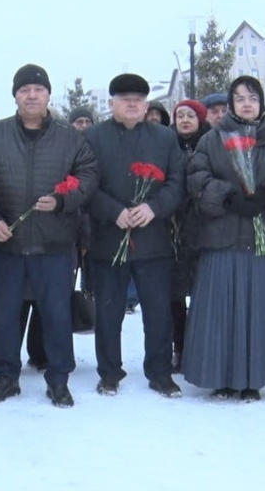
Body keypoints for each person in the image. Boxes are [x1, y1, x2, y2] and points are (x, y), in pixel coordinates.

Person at [0, 64, 98, 407]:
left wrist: (61, 201)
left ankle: (59, 380)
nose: (32, 95)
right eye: (24, 90)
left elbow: (88, 177)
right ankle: (6, 377)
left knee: (56, 315)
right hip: (6, 242)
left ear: (48, 95)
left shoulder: (70, 137)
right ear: (15, 96)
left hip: (53, 244)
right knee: (5, 315)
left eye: (38, 89)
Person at [183, 76, 265, 401]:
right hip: (223, 237)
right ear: (231, 103)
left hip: (261, 239)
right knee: (220, 311)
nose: (246, 103)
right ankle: (220, 377)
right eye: (239, 98)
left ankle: (253, 378)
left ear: (261, 102)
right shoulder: (212, 140)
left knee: (258, 310)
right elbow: (196, 176)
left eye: (252, 97)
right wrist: (225, 195)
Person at [84, 74, 184, 398]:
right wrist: (113, 211)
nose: (131, 103)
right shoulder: (93, 138)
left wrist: (155, 207)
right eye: (124, 98)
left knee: (158, 313)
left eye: (138, 99)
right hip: (108, 238)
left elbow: (177, 183)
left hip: (152, 239)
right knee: (109, 312)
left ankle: (160, 372)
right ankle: (109, 372)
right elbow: (85, 183)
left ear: (146, 106)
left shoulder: (165, 139)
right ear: (111, 103)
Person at [169, 99, 210, 373]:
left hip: (204, 229)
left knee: (202, 294)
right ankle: (179, 348)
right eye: (180, 115)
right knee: (174, 296)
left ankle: (200, 348)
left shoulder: (210, 144)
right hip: (172, 230)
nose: (184, 120)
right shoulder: (167, 145)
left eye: (190, 116)